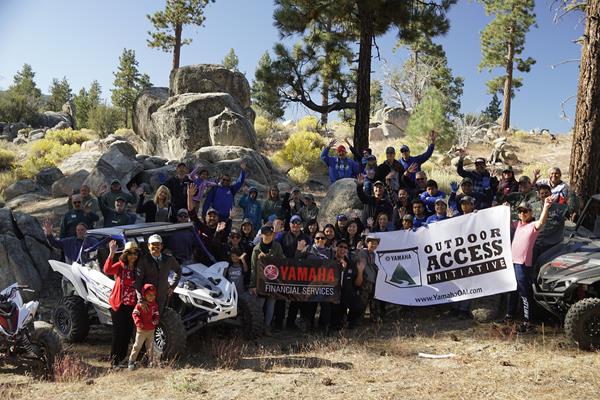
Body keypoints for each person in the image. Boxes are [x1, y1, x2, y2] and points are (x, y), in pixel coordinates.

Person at [503, 197, 553, 333]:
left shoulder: (533, 226)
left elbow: (542, 221)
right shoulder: (518, 224)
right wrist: (506, 209)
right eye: (520, 211)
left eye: (525, 211)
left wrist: (546, 207)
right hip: (513, 262)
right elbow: (506, 223)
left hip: (523, 264)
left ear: (531, 213)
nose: (522, 214)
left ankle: (528, 321)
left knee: (525, 293)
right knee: (513, 290)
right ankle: (510, 314)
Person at [104, 240, 139, 367]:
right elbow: (107, 270)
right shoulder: (120, 266)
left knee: (128, 332)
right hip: (118, 305)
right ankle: (114, 361)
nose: (133, 256)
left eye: (135, 253)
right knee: (118, 333)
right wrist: (111, 253)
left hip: (132, 305)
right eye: (130, 253)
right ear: (125, 254)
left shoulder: (137, 268)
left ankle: (122, 359)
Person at [274, 215, 309, 330]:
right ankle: (278, 322)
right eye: (293, 222)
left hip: (299, 272)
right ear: (289, 224)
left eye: (298, 222)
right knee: (281, 297)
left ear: (301, 225)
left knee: (296, 298)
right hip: (283, 270)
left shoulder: (306, 237)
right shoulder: (282, 235)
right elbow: (273, 245)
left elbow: (310, 253)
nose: (296, 225)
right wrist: (275, 232)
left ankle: (291, 322)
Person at [250, 225, 285, 336]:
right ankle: (257, 327)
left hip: (273, 282)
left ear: (273, 235)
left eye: (270, 234)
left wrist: (269, 258)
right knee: (259, 306)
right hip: (260, 282)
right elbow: (253, 268)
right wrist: (253, 285)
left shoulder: (277, 246)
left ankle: (267, 327)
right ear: (261, 235)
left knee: (271, 305)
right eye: (265, 234)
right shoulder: (256, 249)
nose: (268, 236)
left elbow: (283, 262)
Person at [136, 234, 181, 314]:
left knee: (158, 319)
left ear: (162, 246)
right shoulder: (143, 260)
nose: (155, 247)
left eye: (158, 244)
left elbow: (178, 270)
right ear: (148, 246)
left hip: (162, 297)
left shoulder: (169, 259)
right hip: (147, 299)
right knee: (146, 322)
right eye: (153, 244)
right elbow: (138, 281)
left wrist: (172, 287)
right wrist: (141, 300)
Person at [330, 239, 365, 330]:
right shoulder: (329, 261)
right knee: (333, 325)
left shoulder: (351, 264)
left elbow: (357, 284)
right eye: (340, 246)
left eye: (345, 248)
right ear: (336, 248)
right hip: (332, 295)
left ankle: (349, 321)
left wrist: (360, 271)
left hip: (347, 293)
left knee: (359, 306)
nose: (342, 249)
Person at [202, 161, 247, 228]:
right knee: (214, 234)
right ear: (220, 179)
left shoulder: (231, 189)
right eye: (224, 179)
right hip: (216, 217)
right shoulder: (215, 188)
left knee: (225, 235)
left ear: (230, 181)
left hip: (227, 217)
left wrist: (243, 170)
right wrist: (204, 213)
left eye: (227, 180)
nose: (225, 181)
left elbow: (240, 182)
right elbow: (207, 201)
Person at [533, 185, 568, 265]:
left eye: (546, 193)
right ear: (539, 195)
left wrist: (573, 194)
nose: (544, 195)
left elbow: (573, 209)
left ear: (551, 194)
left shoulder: (560, 208)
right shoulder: (533, 207)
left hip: (552, 246)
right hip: (536, 244)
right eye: (542, 193)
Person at [128, 283, 159, 370]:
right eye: (149, 295)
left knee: (150, 346)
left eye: (153, 295)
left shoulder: (154, 305)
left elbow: (156, 314)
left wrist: (156, 320)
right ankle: (131, 361)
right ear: (144, 295)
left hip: (151, 330)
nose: (151, 297)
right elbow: (134, 314)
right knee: (137, 345)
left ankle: (151, 361)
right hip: (141, 330)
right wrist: (138, 322)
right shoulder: (140, 305)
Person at [358, 234, 384, 322]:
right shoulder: (362, 252)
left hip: (373, 281)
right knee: (362, 300)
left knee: (374, 300)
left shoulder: (374, 254)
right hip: (365, 281)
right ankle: (358, 318)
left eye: (375, 244)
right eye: (371, 243)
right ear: (367, 243)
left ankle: (374, 317)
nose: (373, 245)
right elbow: (362, 266)